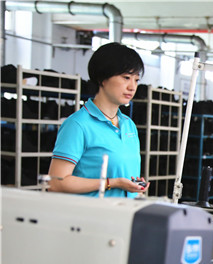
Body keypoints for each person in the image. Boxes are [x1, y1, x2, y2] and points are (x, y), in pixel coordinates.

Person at [48, 42, 148, 198]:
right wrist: (112, 183)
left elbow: (124, 173)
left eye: (136, 80)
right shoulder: (78, 125)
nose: (132, 87)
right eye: (126, 78)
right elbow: (55, 183)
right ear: (103, 79)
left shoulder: (129, 125)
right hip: (93, 212)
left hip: (125, 211)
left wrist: (135, 185)